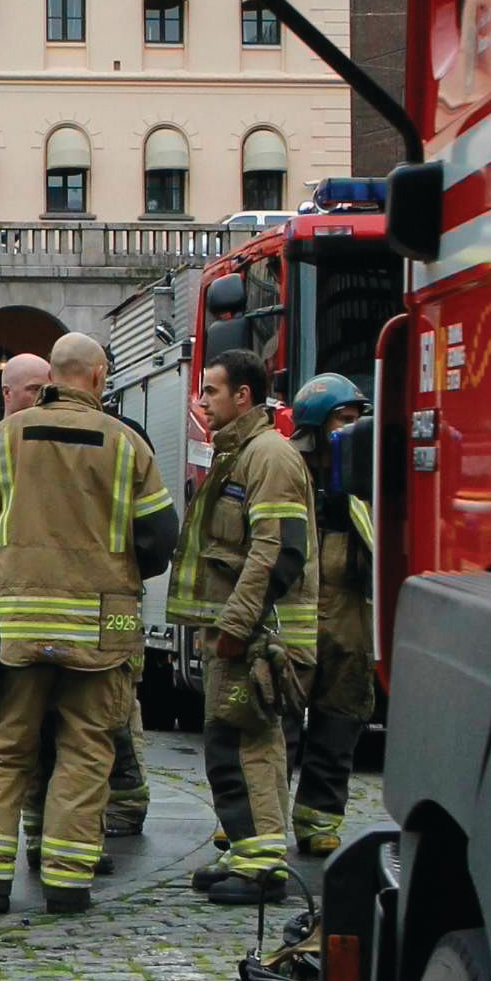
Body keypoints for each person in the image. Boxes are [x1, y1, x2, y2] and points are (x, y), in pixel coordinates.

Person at [0, 332, 178, 916]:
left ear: (52, 375)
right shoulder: (129, 446)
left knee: (2, 748)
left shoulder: (0, 442)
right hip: (102, 631)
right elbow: (159, 541)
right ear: (99, 377)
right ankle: (68, 883)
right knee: (86, 750)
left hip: (17, 629)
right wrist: (114, 571)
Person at [171, 348, 319, 903]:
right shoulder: (237, 454)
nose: (201, 401)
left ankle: (261, 868)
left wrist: (237, 623)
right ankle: (245, 848)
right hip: (241, 634)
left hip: (260, 637)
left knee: (249, 744)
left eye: (211, 390)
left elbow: (277, 550)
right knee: (228, 743)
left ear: (244, 397)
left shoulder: (269, 456)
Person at [288, 372, 375, 859]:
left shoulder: (367, 474)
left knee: (340, 717)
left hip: (346, 611)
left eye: (360, 417)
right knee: (272, 718)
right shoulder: (285, 469)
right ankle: (254, 820)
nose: (356, 427)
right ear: (317, 426)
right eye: (346, 418)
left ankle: (319, 819)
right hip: (294, 608)